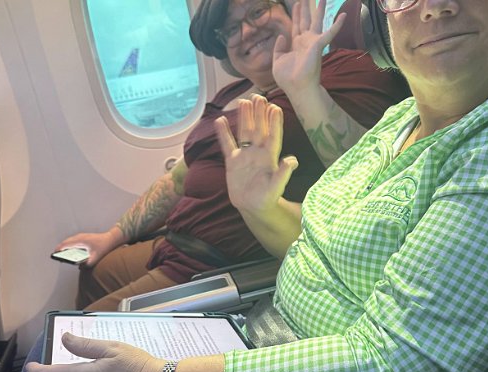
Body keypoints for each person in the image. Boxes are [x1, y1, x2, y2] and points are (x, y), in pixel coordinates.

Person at [0, 0, 488, 372]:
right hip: (258, 329)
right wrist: (259, 206)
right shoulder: (403, 120)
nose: (436, 7)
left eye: (255, 13)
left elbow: (397, 364)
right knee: (52, 352)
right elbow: (327, 236)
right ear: (381, 21)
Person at [58, 0, 409, 311]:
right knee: (93, 273)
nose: (247, 31)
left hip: (216, 266)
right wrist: (111, 236)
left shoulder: (344, 69)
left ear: (289, 10)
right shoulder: (232, 92)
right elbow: (177, 179)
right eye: (230, 29)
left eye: (257, 10)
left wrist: (303, 87)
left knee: (72, 337)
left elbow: (368, 178)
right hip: (173, 245)